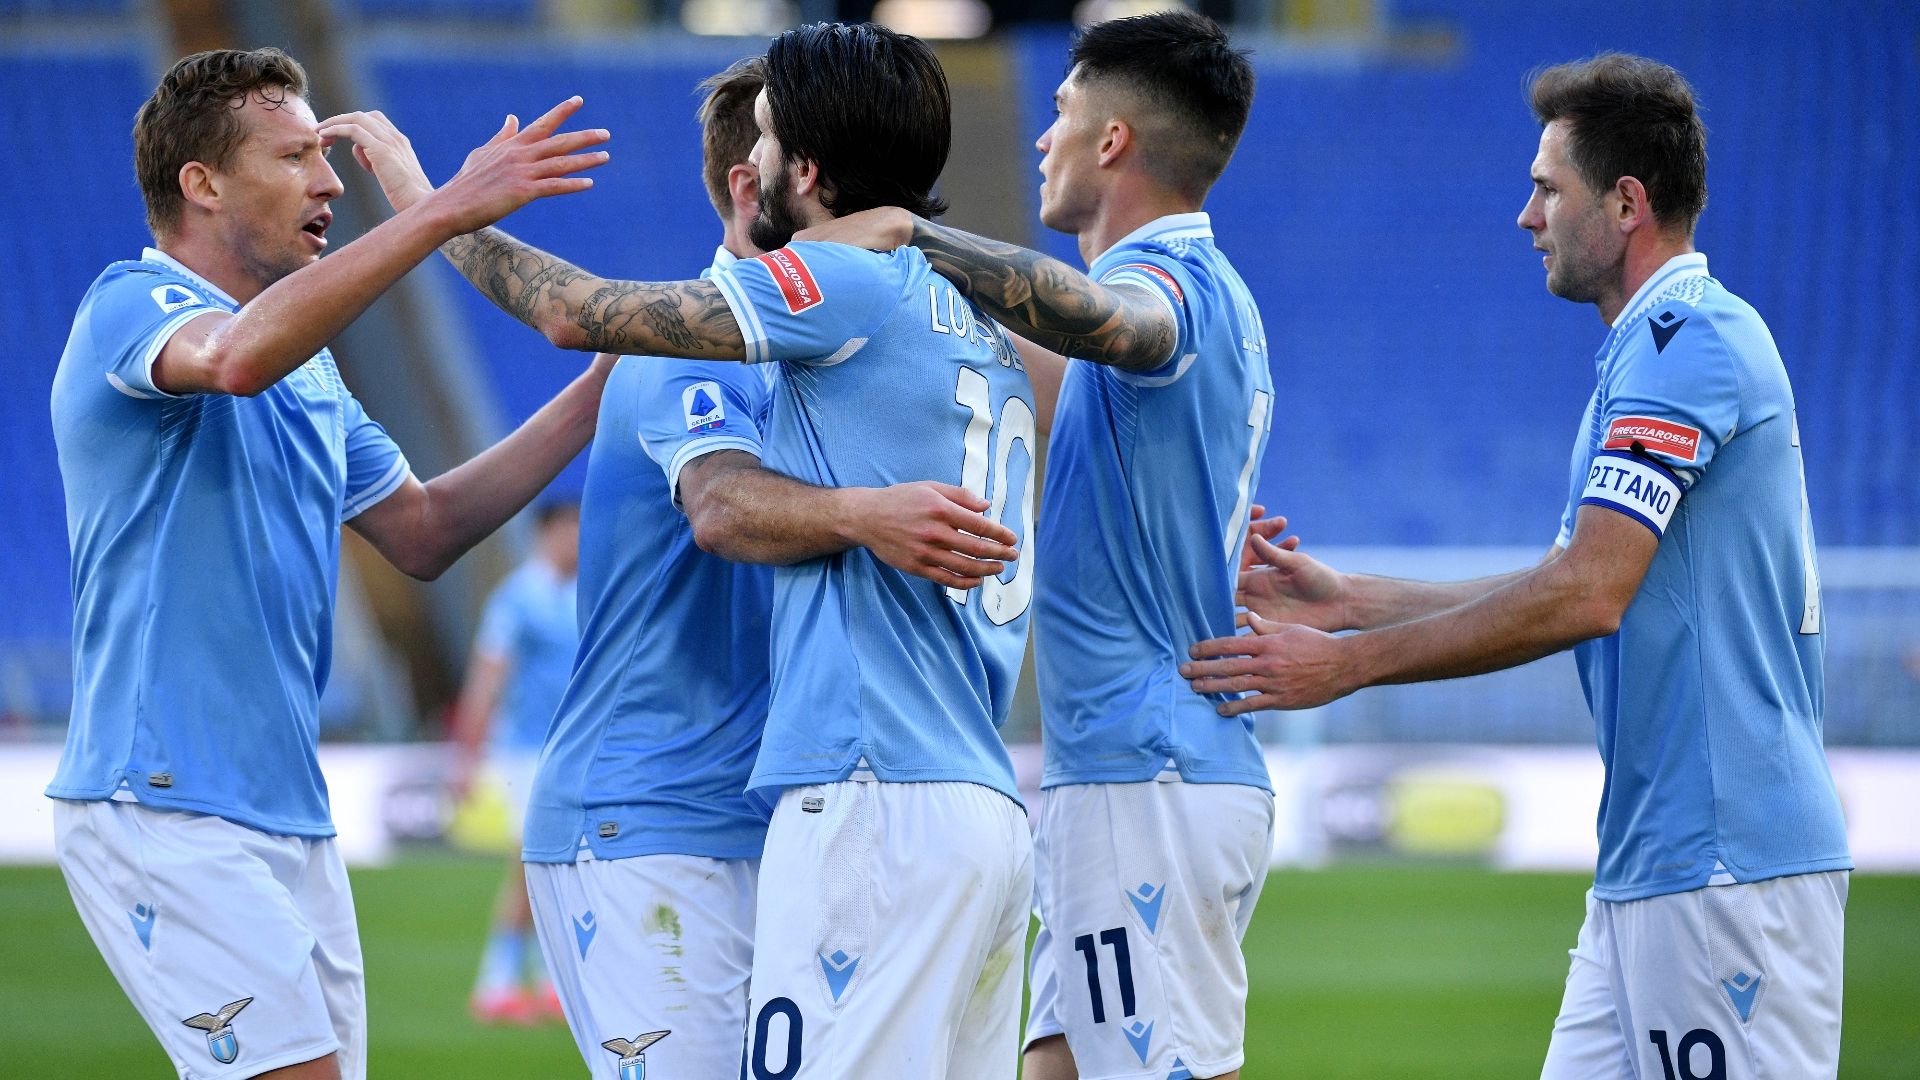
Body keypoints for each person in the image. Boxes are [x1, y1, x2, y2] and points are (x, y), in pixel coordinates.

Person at [352, 24, 1037, 1076]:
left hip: (785, 808)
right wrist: (866, 513)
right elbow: (716, 505)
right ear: (744, 182)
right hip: (650, 818)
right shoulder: (686, 353)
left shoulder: (846, 342)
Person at [1184, 53, 1851, 1080]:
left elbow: (1589, 593)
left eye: (1548, 187)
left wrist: (1347, 667)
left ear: (1626, 204)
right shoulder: (1648, 352)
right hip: (1654, 862)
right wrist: (1354, 601)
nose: (1525, 215)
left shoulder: (1687, 345)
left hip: (1726, 870)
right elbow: (1569, 572)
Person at [45, 48, 607, 1080]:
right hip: (161, 799)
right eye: (295, 155)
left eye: (327, 154)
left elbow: (427, 528)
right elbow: (233, 360)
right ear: (201, 183)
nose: (331, 181)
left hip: (288, 814)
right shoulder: (130, 306)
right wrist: (437, 211)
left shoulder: (313, 370)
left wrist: (607, 381)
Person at [796, 12, 1270, 1079]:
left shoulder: (1170, 289)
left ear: (1112, 142)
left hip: (1146, 774)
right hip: (1132, 770)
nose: (1040, 137)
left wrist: (910, 234)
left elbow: (1119, 327)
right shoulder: (1215, 293)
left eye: (1060, 113)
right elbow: (1040, 374)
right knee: (1053, 1063)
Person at [448, 498, 580, 1024]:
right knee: (529, 864)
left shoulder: (584, 595)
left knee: (557, 866)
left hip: (570, 751)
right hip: (525, 753)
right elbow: (487, 677)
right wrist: (466, 754)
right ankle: (497, 981)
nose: (578, 540)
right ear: (545, 535)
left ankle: (548, 981)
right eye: (569, 529)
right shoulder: (518, 599)